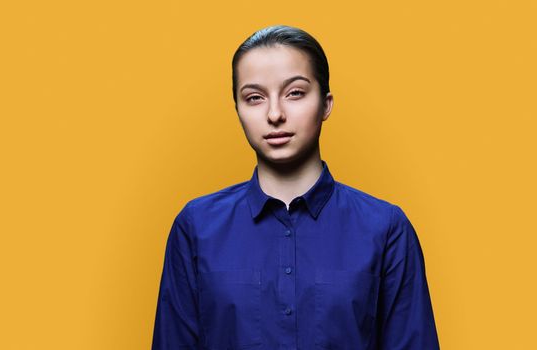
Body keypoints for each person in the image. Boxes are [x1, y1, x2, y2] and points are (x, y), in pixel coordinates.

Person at [152, 24, 440, 350]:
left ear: (326, 104)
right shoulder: (196, 227)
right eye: (255, 98)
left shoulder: (386, 229)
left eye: (295, 93)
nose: (275, 114)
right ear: (238, 111)